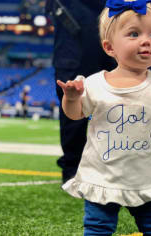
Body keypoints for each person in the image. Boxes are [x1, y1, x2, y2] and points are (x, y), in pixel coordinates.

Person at [57, 1, 151, 235]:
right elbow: (75, 113)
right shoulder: (94, 83)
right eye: (134, 34)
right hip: (102, 179)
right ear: (110, 48)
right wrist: (71, 98)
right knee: (97, 228)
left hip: (146, 180)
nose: (146, 40)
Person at [45, 0, 115, 182]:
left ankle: (89, 168)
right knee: (73, 114)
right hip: (77, 46)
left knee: (114, 112)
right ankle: (73, 170)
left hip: (105, 44)